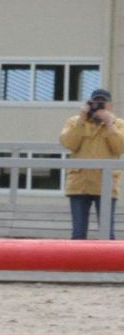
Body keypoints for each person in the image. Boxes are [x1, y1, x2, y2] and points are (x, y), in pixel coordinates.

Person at [60, 87, 122, 240]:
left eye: (103, 103)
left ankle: (109, 264)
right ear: (89, 104)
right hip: (79, 184)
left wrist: (109, 125)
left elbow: (120, 147)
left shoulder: (118, 124)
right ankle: (77, 264)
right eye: (96, 102)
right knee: (78, 234)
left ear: (110, 106)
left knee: (107, 234)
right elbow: (68, 143)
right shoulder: (75, 121)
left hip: (106, 184)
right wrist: (81, 120)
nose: (99, 106)